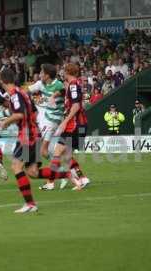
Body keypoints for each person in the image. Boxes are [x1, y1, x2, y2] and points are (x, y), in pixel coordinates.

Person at [0, 69, 79, 214]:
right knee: (32, 172)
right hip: (34, 133)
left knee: (16, 166)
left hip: (27, 136)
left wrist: (6, 122)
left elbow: (19, 114)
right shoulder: (23, 93)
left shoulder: (15, 95)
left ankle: (30, 204)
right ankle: (65, 174)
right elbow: (33, 112)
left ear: (3, 81)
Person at [45, 63, 90, 191]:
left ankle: (50, 182)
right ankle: (82, 179)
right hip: (77, 124)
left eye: (64, 71)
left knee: (57, 152)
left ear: (68, 72)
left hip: (74, 124)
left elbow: (76, 106)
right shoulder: (72, 85)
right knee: (67, 156)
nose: (62, 73)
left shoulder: (74, 85)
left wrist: (65, 121)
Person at [27, 64, 68, 190]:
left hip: (53, 120)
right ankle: (64, 173)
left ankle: (59, 176)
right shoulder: (40, 84)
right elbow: (27, 90)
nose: (39, 74)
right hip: (47, 119)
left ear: (47, 75)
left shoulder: (58, 84)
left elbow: (64, 90)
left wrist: (54, 95)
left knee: (43, 150)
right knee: (47, 151)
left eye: (41, 72)